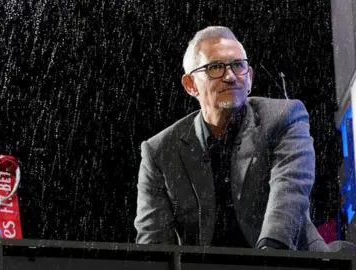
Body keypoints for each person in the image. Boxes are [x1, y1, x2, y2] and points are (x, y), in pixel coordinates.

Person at [134, 26, 329, 251]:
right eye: (215, 67)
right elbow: (154, 244)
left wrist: (269, 258)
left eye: (238, 65)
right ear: (190, 85)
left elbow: (290, 190)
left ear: (250, 79)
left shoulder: (284, 117)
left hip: (287, 261)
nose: (230, 76)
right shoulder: (160, 151)